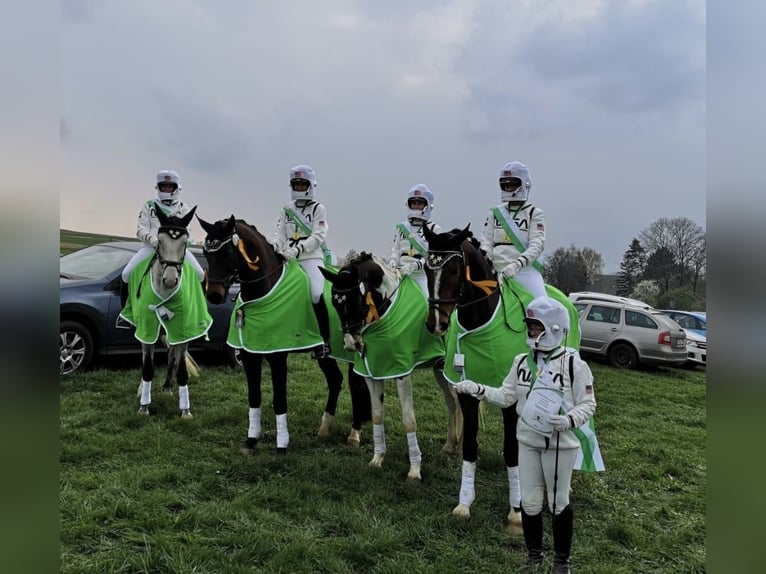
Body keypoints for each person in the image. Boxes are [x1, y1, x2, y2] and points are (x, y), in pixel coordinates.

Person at [452, 296, 596, 574]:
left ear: (553, 328)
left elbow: (588, 403)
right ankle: (534, 556)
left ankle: (562, 561)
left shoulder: (573, 365)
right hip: (527, 440)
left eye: (535, 327)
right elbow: (506, 396)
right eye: (529, 327)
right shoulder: (521, 362)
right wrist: (476, 389)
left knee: (557, 501)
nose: (531, 333)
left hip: (559, 445)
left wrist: (569, 420)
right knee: (529, 501)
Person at [272, 164, 334, 359]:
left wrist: (299, 249)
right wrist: (273, 247)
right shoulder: (286, 209)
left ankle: (324, 340)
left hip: (310, 257)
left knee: (317, 293)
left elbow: (318, 236)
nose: (298, 187)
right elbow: (280, 233)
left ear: (310, 185)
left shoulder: (318, 208)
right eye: (295, 184)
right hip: (287, 256)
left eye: (302, 184)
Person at [121, 170, 204, 304]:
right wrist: (152, 239)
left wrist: (184, 242)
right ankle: (126, 311)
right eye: (164, 186)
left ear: (176, 188)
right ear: (158, 187)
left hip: (176, 249)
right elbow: (140, 229)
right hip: (151, 247)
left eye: (170, 186)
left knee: (200, 274)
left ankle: (200, 311)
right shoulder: (149, 205)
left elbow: (187, 230)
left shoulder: (183, 208)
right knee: (126, 274)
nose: (167, 188)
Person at [480, 161, 546, 298]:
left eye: (513, 184)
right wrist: (487, 259)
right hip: (495, 271)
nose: (509, 188)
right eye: (506, 185)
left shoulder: (535, 213)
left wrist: (517, 265)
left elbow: (537, 245)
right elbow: (486, 240)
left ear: (524, 184)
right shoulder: (495, 212)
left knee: (542, 305)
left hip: (523, 272)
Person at [388, 183, 441, 297]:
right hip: (400, 274)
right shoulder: (401, 228)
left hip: (422, 276)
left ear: (427, 205)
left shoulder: (434, 229)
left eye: (420, 203)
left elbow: (435, 256)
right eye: (414, 203)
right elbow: (396, 250)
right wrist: (392, 262)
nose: (416, 206)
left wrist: (415, 266)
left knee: (428, 304)